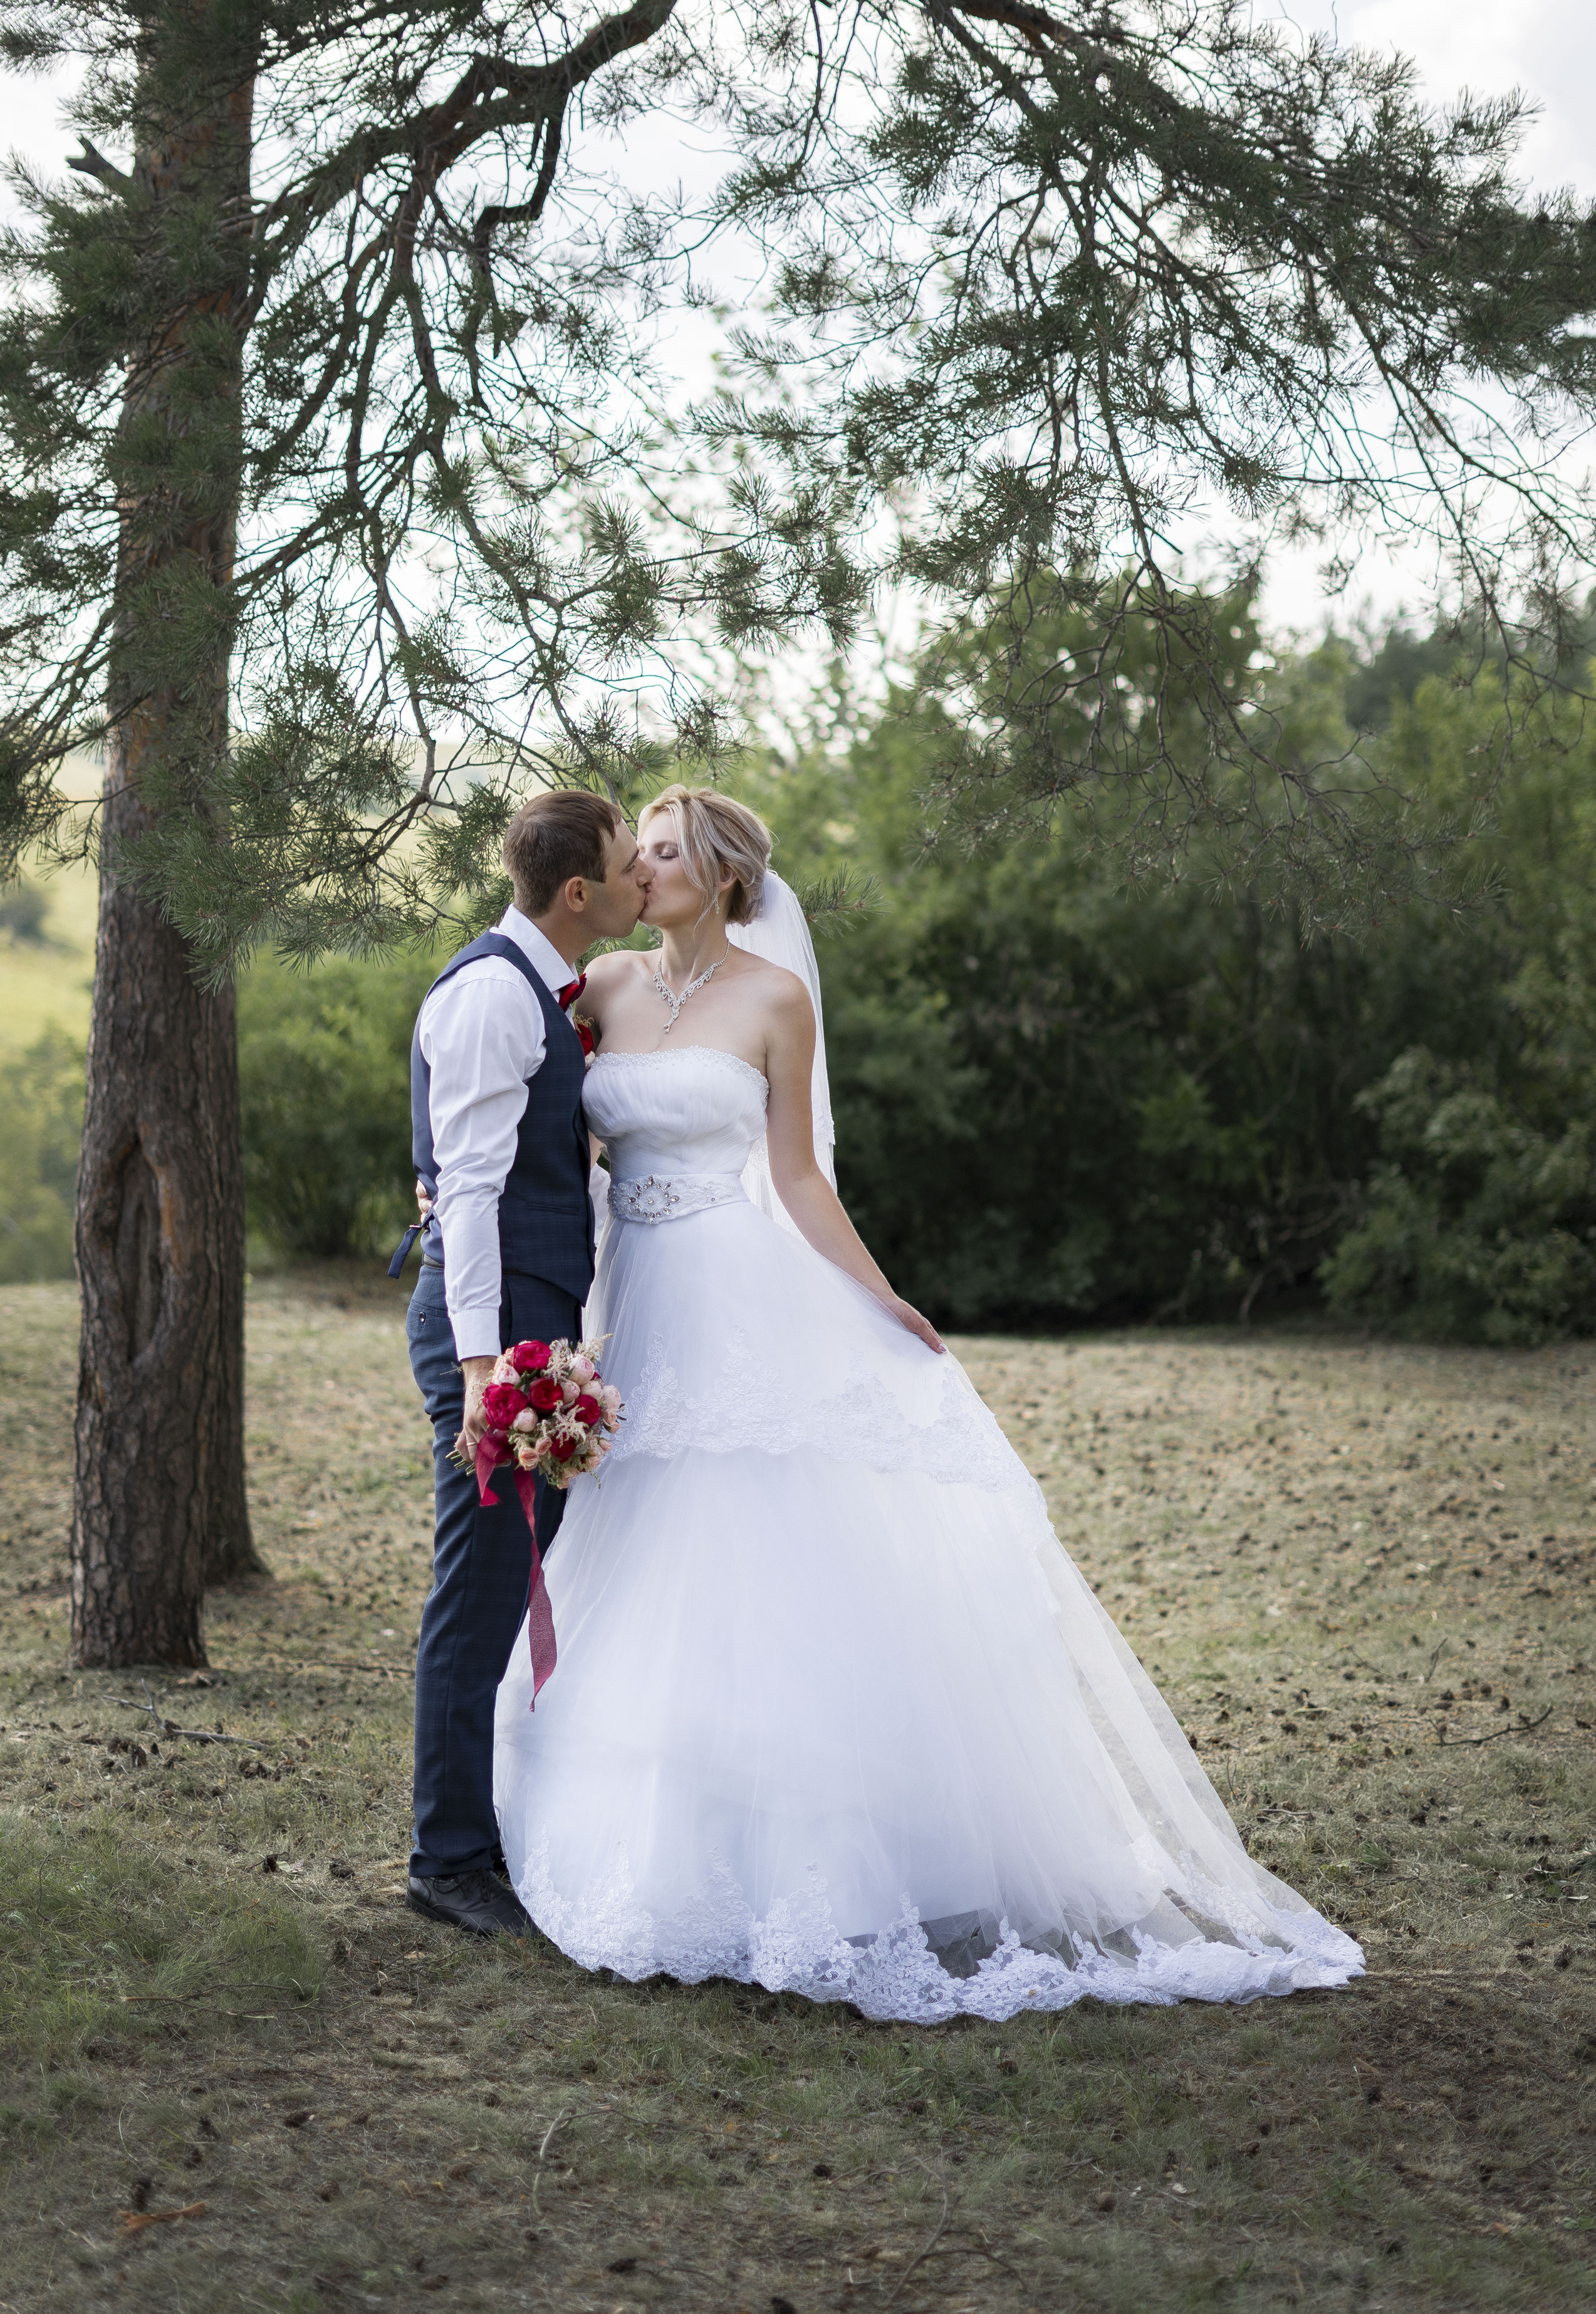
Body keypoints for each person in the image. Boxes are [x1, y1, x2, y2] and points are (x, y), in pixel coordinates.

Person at [491, 785, 1364, 2021]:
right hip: (633, 1301)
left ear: (725, 876)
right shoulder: (610, 991)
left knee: (744, 1545)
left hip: (738, 1299)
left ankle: (814, 1852)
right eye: (641, 850)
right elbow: (553, 1140)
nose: (642, 864)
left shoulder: (774, 1000)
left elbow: (794, 1177)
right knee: (634, 1542)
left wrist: (881, 1300)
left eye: (668, 850)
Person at [396, 789, 647, 1936]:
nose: (646, 877)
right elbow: (475, 1192)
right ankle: (446, 1861)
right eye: (627, 864)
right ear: (580, 892)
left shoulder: (542, 991)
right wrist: (491, 1369)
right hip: (491, 1340)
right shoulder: (498, 992)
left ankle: (486, 1832)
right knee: (482, 1584)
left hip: (529, 1323)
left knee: (514, 1573)